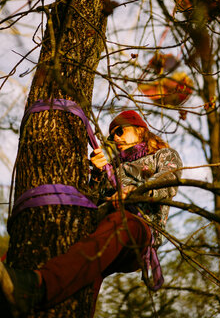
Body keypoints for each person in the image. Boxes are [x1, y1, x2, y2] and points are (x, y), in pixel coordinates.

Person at [0, 110, 182, 317]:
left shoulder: (163, 155)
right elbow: (89, 204)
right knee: (83, 283)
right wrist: (97, 175)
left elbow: (169, 182)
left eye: (120, 131)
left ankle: (36, 286)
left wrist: (133, 191)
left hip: (138, 229)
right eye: (112, 135)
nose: (115, 138)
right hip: (101, 232)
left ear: (140, 131)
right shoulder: (113, 168)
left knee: (120, 223)